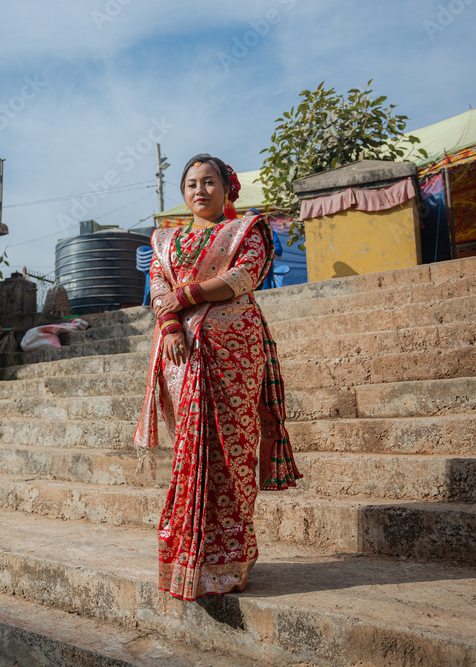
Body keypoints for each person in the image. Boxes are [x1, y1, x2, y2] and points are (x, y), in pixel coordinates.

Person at [134, 154, 301, 601]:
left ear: (228, 188)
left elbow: (246, 276)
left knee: (232, 448)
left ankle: (231, 559)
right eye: (191, 184)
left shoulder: (245, 230)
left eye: (209, 182)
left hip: (233, 349)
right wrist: (170, 324)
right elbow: (158, 285)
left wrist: (186, 295)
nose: (200, 190)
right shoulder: (166, 240)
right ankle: (187, 560)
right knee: (192, 449)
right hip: (181, 352)